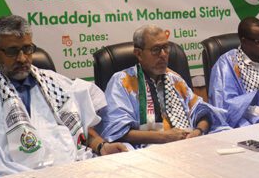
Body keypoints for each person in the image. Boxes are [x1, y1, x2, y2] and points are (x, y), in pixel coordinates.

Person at [0, 15, 127, 178]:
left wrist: (101, 146)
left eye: (27, 49)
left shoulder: (56, 83)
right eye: (12, 51)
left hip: (71, 172)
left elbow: (81, 127)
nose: (22, 58)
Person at [98, 25, 229, 146]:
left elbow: (203, 112)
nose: (163, 55)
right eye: (155, 50)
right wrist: (163, 137)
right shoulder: (122, 82)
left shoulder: (174, 79)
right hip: (146, 150)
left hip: (187, 144)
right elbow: (117, 131)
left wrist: (198, 131)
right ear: (138, 54)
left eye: (165, 48)